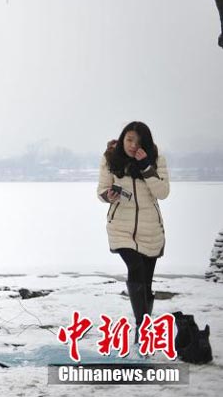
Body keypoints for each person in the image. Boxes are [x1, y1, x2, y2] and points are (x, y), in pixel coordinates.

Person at [97, 121, 170, 348]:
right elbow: (101, 191)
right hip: (121, 227)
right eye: (129, 140)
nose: (132, 145)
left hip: (151, 229)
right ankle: (142, 325)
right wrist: (109, 195)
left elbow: (163, 192)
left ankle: (144, 329)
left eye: (137, 142)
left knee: (146, 283)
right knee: (135, 267)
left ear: (145, 144)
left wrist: (146, 166)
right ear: (122, 138)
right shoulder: (111, 158)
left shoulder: (156, 159)